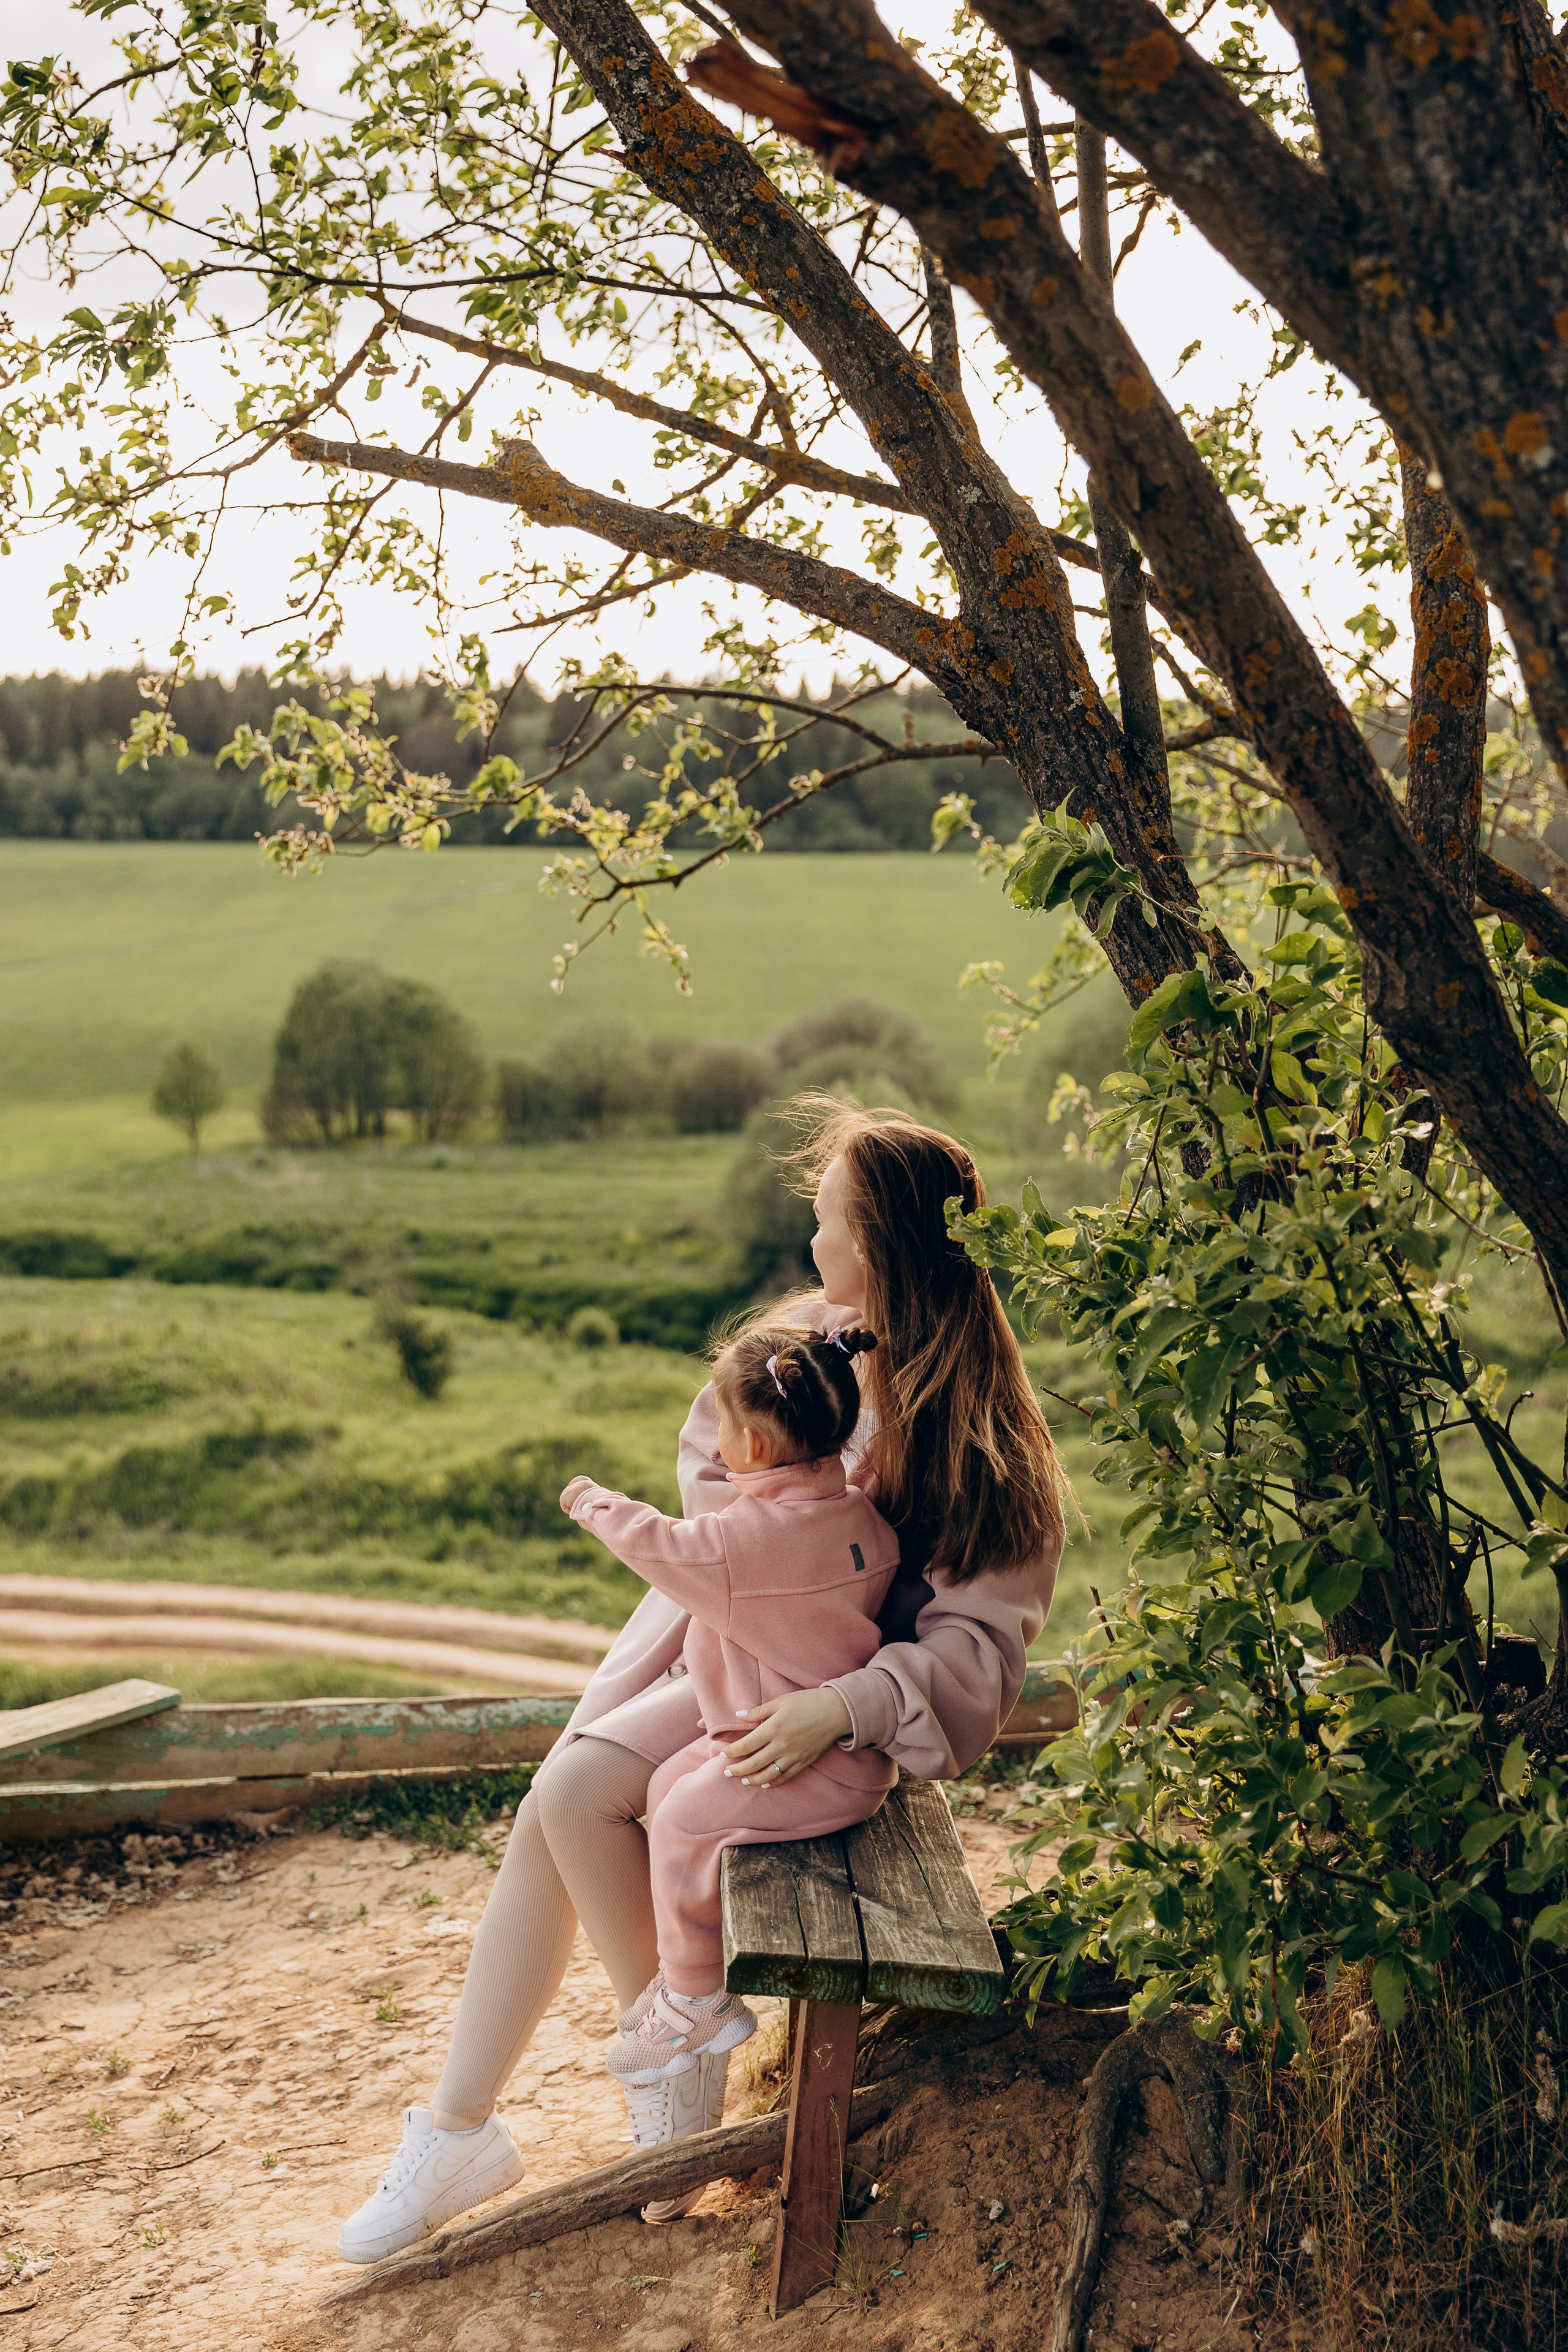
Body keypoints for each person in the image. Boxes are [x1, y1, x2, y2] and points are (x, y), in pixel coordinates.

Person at [335, 1104, 1066, 2264]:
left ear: (876, 1246)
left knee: (597, 1799)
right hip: (725, 1647)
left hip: (838, 1711)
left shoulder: (984, 1440)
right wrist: (786, 1491)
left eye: (827, 1223)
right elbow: (710, 1455)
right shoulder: (804, 1348)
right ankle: (508, 2113)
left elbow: (980, 1658)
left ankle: (592, 2094)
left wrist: (844, 1701)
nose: (812, 1245)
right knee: (569, 1796)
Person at [559, 1321, 899, 2095]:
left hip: (815, 1767)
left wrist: (593, 1503)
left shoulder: (740, 1544)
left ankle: (696, 1996)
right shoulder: (860, 1518)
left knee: (678, 1820)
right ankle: (686, 1971)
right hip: (814, 1742)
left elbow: (658, 1545)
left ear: (744, 1448)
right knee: (662, 1784)